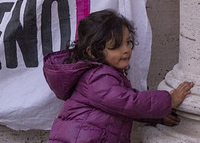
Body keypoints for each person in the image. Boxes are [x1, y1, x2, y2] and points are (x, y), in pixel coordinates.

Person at [43, 9, 194, 143]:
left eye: (128, 42)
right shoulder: (96, 78)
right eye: (115, 46)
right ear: (93, 52)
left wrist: (157, 116)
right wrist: (169, 101)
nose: (126, 50)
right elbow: (128, 102)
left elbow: (121, 107)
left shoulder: (106, 74)